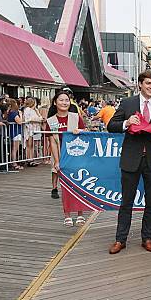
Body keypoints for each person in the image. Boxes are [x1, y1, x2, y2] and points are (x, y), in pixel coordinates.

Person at [106, 70, 151, 254]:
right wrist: (127, 123)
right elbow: (111, 126)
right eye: (148, 84)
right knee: (126, 201)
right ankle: (120, 240)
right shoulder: (127, 103)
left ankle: (147, 238)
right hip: (131, 159)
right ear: (140, 84)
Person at [45, 91, 87, 225]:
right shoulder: (51, 121)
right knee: (65, 187)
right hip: (61, 155)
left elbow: (85, 132)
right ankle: (67, 214)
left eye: (67, 100)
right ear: (55, 102)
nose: (64, 103)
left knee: (79, 185)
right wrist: (57, 161)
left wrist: (79, 131)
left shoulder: (75, 117)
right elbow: (52, 141)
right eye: (61, 100)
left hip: (76, 155)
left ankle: (80, 213)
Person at [23, 97, 44, 167]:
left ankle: (31, 158)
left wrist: (36, 111)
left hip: (33, 129)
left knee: (31, 145)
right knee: (29, 145)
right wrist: (38, 120)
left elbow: (40, 117)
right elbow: (28, 119)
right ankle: (29, 159)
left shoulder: (34, 110)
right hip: (29, 129)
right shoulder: (27, 110)